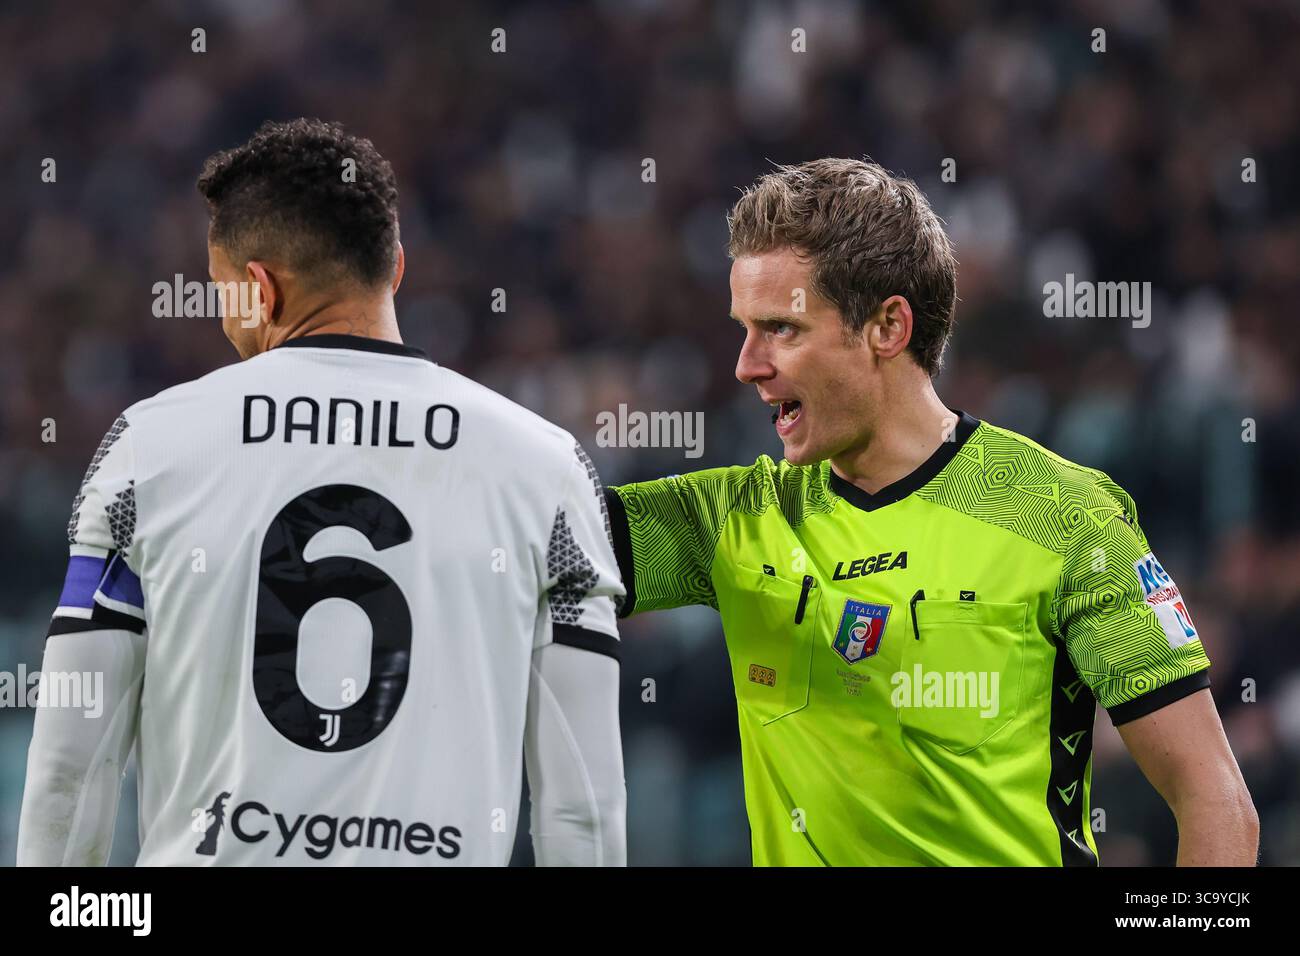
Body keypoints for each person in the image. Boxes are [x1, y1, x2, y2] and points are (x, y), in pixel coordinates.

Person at [604, 158, 1258, 866]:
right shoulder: (730, 520)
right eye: (745, 329)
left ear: (887, 327)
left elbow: (1215, 800)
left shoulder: (1065, 518)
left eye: (781, 330)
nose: (746, 364)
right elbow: (533, 528)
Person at [18, 118, 626, 866]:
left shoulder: (148, 452)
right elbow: (583, 809)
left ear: (259, 289)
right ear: (396, 267)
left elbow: (69, 770)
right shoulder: (545, 469)